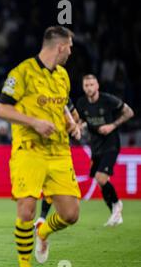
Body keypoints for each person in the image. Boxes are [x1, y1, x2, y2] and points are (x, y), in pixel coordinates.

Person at [0, 26, 82, 267]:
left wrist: (72, 123)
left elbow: (65, 105)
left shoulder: (63, 76)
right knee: (26, 209)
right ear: (59, 46)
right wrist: (33, 122)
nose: (70, 51)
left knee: (70, 214)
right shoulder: (22, 73)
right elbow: (1, 108)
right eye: (69, 46)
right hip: (29, 150)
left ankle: (43, 231)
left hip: (59, 152)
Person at [36, 75, 134, 227]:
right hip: (95, 146)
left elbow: (129, 112)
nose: (89, 87)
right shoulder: (81, 103)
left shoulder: (107, 100)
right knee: (100, 181)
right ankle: (115, 213)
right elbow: (79, 121)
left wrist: (113, 126)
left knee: (101, 178)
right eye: (86, 85)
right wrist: (78, 127)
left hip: (111, 144)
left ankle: (117, 205)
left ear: (97, 86)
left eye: (92, 84)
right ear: (83, 87)